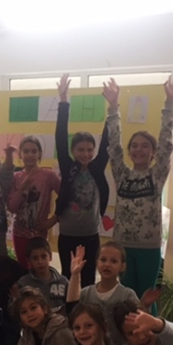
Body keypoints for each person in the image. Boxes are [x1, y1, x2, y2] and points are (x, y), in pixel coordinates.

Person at [102, 76, 173, 315]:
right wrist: (113, 106)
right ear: (129, 151)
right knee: (127, 297)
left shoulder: (157, 175)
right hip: (122, 247)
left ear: (153, 152)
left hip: (149, 247)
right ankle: (127, 334)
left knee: (147, 297)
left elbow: (167, 143)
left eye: (145, 145)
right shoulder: (122, 174)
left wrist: (170, 103)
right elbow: (114, 145)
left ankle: (151, 333)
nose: (139, 149)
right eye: (135, 146)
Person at [55, 73, 110, 287]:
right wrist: (63, 101)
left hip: (91, 235)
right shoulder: (68, 167)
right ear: (73, 150)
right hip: (67, 234)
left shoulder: (97, 167)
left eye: (89, 150)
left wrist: (113, 107)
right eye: (80, 150)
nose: (85, 154)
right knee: (67, 278)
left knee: (88, 280)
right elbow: (60, 136)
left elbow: (107, 141)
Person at [7, 136, 61, 268]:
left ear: (39, 154)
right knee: (23, 269)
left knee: (40, 269)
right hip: (19, 233)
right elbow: (12, 207)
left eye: (34, 151)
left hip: (39, 233)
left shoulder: (48, 175)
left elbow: (66, 197)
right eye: (26, 151)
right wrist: (23, 187)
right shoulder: (16, 177)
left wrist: (54, 219)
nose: (30, 155)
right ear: (20, 154)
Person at [17, 237, 69, 314]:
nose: (40, 262)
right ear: (28, 261)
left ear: (50, 257)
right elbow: (17, 310)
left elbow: (71, 306)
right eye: (35, 258)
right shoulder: (24, 283)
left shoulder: (63, 281)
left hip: (60, 320)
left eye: (44, 256)